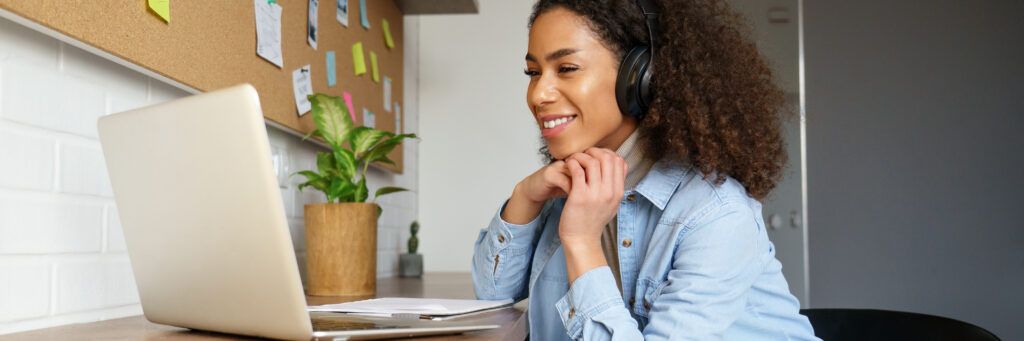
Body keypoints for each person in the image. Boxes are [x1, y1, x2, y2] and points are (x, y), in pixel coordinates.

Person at [472, 0, 819, 340]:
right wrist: (525, 197)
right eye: (533, 73)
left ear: (639, 77)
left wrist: (581, 241)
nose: (539, 94)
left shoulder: (716, 214)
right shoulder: (566, 186)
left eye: (566, 68)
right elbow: (491, 299)